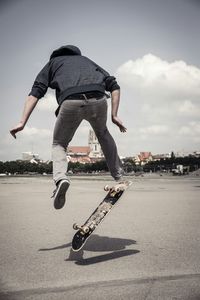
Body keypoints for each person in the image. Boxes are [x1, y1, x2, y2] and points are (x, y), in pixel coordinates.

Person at [10, 45, 127, 209]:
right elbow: (114, 86)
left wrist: (22, 122)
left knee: (59, 144)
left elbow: (36, 92)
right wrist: (114, 115)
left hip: (71, 101)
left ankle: (61, 179)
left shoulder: (53, 63)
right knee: (103, 134)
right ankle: (119, 177)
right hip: (99, 99)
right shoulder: (86, 60)